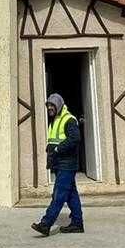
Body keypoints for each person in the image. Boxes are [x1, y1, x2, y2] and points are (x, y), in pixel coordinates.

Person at [31, 92, 83, 237]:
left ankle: (45, 224)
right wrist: (51, 157)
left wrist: (58, 149)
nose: (50, 109)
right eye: (48, 106)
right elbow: (53, 142)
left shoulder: (69, 120)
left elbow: (75, 139)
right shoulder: (54, 120)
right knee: (71, 195)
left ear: (59, 105)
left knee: (58, 195)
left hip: (67, 164)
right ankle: (77, 224)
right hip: (60, 164)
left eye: (52, 106)